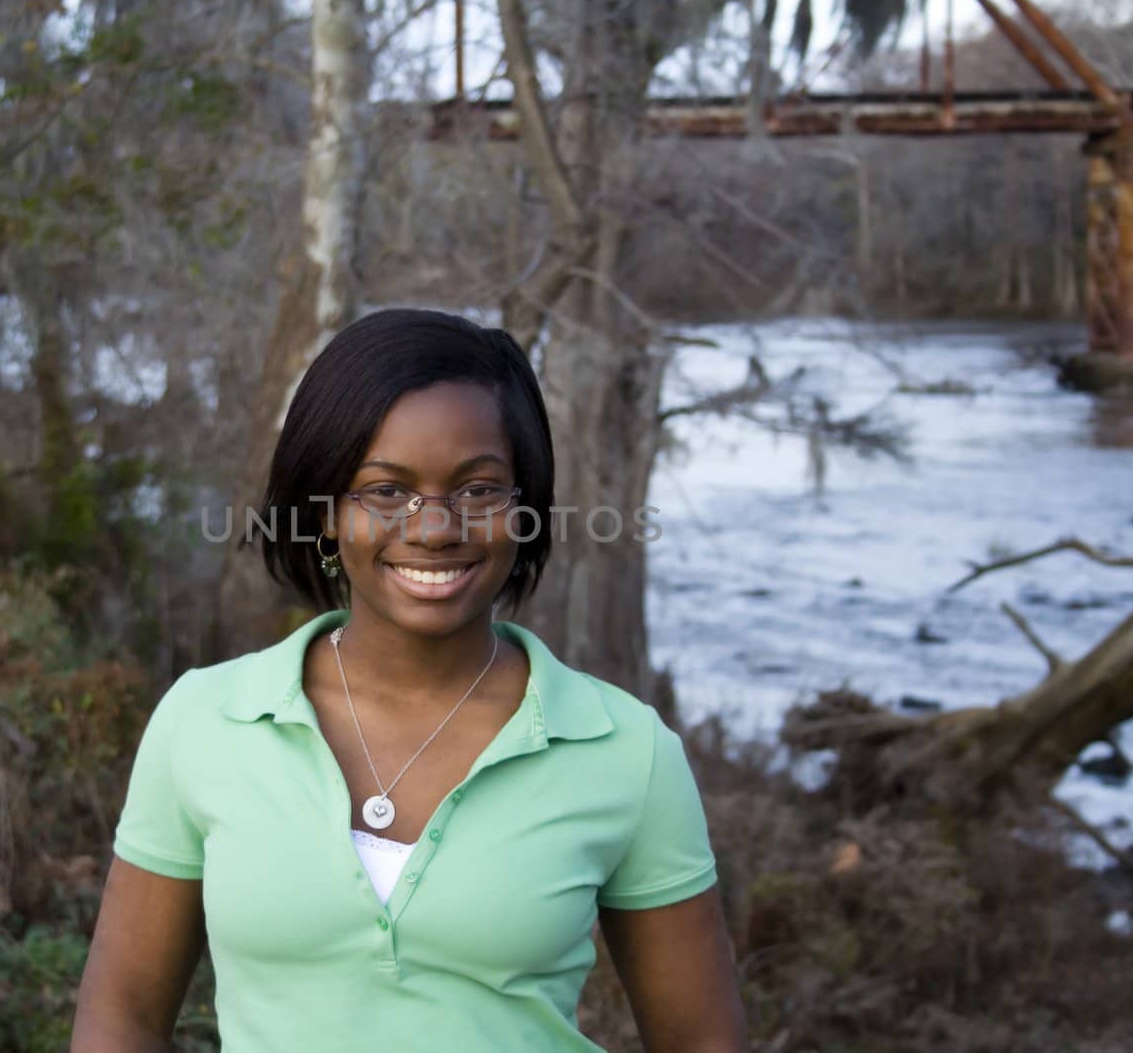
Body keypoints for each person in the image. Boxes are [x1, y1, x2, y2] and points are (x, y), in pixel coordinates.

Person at [71, 309, 748, 1052]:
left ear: (524, 508)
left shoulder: (627, 751)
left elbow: (701, 1041)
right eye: (386, 491)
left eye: (479, 488)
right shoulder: (204, 722)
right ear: (324, 512)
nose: (434, 527)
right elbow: (122, 1017)